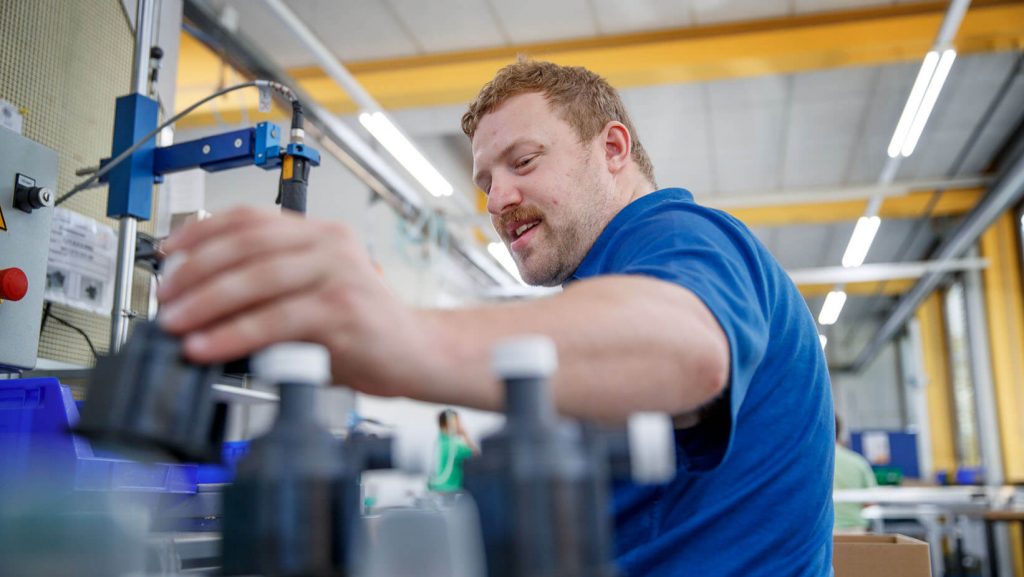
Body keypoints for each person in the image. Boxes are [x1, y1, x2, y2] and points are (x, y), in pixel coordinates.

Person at [158, 60, 834, 576]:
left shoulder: (680, 236)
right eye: (485, 181)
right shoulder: (604, 287)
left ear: (615, 149)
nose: (498, 198)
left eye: (524, 161)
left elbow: (687, 347)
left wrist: (402, 335)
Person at [833, 415, 877, 533]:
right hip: (856, 531)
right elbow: (871, 501)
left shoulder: (812, 462)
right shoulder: (858, 462)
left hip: (824, 533)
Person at [428, 409, 478, 493]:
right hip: (450, 490)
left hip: (438, 487)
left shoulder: (439, 443)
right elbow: (475, 455)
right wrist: (465, 435)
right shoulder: (454, 446)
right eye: (458, 422)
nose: (460, 426)